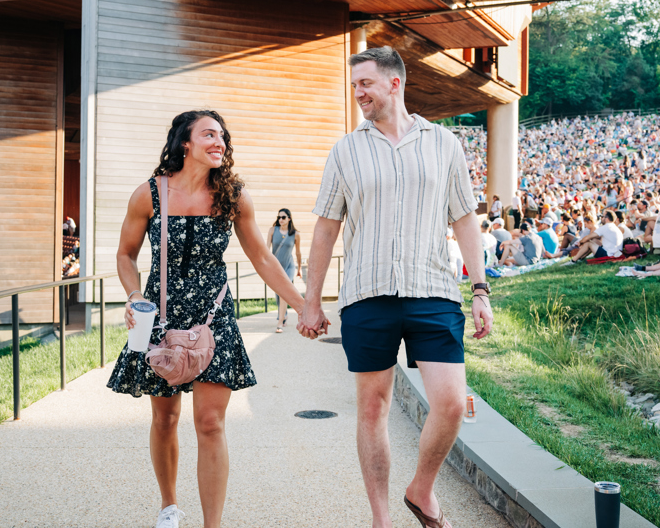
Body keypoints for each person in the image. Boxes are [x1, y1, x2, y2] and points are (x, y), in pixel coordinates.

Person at [298, 46, 493, 528]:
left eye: (365, 83)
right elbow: (326, 227)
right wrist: (311, 300)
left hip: (434, 290)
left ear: (394, 82)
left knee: (451, 403)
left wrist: (481, 289)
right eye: (354, 86)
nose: (358, 93)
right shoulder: (345, 151)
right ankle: (381, 519)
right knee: (372, 408)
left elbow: (465, 219)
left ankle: (421, 490)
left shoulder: (444, 143)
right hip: (368, 293)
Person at [108, 110, 306, 528]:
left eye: (223, 137)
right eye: (209, 134)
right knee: (165, 419)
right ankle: (169, 507)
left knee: (210, 423)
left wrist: (303, 306)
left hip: (214, 318)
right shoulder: (149, 195)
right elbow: (125, 254)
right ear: (185, 143)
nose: (220, 142)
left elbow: (263, 259)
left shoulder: (232, 196)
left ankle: (211, 525)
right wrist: (133, 295)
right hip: (161, 320)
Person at [266, 208, 302, 332]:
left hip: (289, 266)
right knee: (278, 293)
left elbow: (298, 253)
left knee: (283, 293)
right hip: (275, 267)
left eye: (283, 217)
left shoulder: (295, 234)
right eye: (279, 217)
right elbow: (266, 249)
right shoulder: (272, 230)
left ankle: (280, 322)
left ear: (289, 219)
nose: (280, 219)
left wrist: (299, 268)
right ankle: (284, 314)